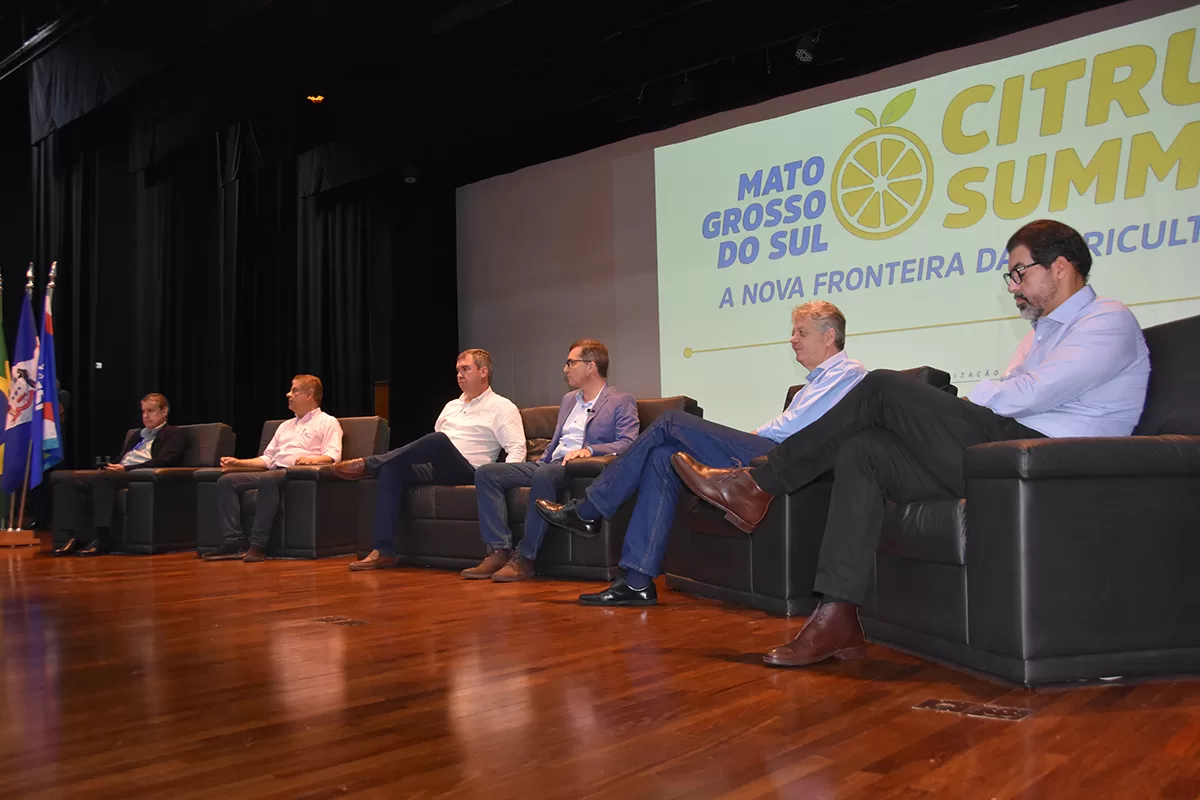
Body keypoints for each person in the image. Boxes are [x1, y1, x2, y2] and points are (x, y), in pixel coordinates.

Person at [674, 219, 1151, 667]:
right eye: (1011, 276)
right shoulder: (1038, 337)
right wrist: (964, 407)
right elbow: (1015, 397)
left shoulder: (1106, 320)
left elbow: (1032, 393)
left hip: (1050, 461)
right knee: (864, 450)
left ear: (1060, 267)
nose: (1013, 286)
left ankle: (757, 485)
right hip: (1004, 457)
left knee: (882, 387)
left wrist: (962, 403)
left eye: (1019, 272)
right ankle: (837, 615)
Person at [535, 301, 867, 606]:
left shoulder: (847, 373)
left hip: (781, 459)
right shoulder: (815, 383)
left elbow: (794, 427)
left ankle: (588, 510)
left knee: (670, 422)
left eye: (801, 332)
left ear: (829, 336)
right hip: (775, 452)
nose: (793, 339)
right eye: (793, 332)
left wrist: (749, 436)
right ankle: (636, 581)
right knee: (662, 457)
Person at [464, 339, 639, 582]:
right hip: (549, 464)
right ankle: (498, 549)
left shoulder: (621, 401)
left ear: (591, 366)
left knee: (544, 474)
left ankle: (526, 556)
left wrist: (590, 450)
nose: (565, 369)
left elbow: (629, 442)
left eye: (571, 363)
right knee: (487, 473)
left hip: (578, 469)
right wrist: (544, 459)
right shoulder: (569, 400)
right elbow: (557, 441)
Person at [337, 349, 526, 571]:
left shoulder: (502, 407)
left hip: (471, 471)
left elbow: (517, 447)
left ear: (483, 372)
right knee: (392, 468)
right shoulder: (451, 406)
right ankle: (384, 550)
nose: (459, 375)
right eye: (457, 371)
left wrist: (501, 481)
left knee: (438, 441)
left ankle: (370, 464)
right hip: (439, 467)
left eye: (466, 369)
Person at [203, 375, 342, 563]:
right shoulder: (285, 426)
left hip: (296, 474)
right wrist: (239, 463)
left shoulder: (327, 422)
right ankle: (233, 542)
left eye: (294, 390)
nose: (288, 394)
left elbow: (333, 455)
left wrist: (313, 460)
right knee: (227, 481)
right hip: (273, 471)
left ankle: (257, 545)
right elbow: (267, 459)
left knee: (268, 479)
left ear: (310, 394)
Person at [52, 393, 184, 556]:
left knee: (103, 478)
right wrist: (109, 467)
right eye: (143, 412)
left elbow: (164, 460)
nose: (146, 416)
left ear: (164, 411)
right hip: (121, 471)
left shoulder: (174, 433)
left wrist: (125, 469)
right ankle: (70, 537)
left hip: (139, 475)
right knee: (67, 480)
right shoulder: (138, 435)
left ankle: (102, 538)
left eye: (151, 411)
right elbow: (122, 457)